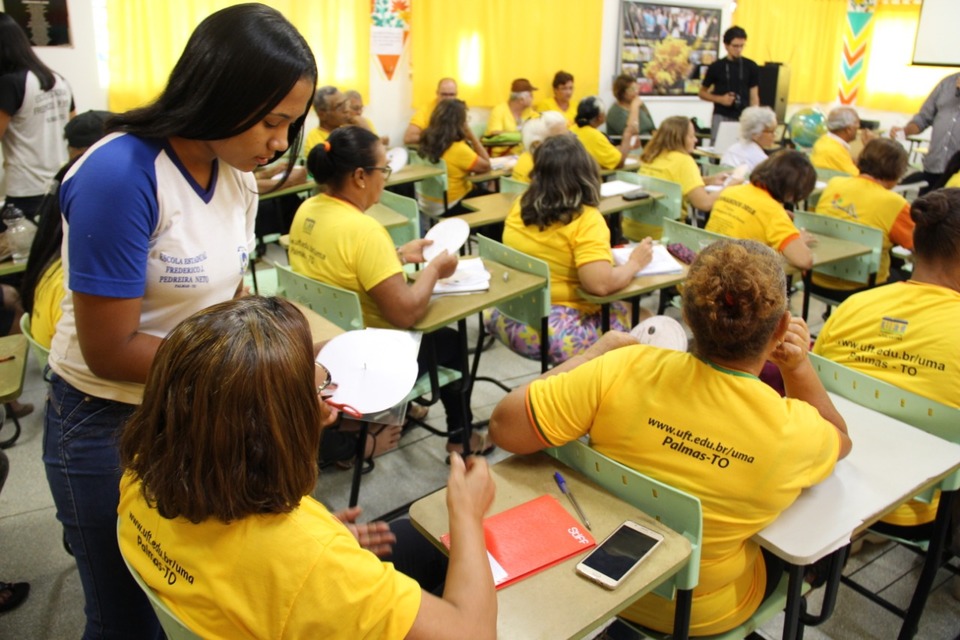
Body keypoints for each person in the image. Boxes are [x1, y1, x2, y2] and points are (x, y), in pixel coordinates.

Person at [43, 5, 317, 638]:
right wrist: (253, 376)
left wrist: (279, 360)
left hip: (191, 400)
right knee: (123, 612)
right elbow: (111, 349)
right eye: (272, 121)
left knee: (202, 586)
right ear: (221, 91)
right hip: (106, 412)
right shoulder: (122, 174)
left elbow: (230, 290)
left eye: (290, 125)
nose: (280, 143)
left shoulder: (237, 173)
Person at [489, 239, 850, 636]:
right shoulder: (791, 429)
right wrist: (798, 368)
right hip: (702, 614)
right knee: (794, 552)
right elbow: (840, 440)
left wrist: (592, 355)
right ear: (781, 329)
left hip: (602, 582)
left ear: (688, 320)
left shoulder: (623, 366)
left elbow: (504, 425)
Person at [117, 296, 497, 639]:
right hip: (296, 573)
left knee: (417, 540)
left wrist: (325, 539)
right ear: (276, 432)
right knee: (458, 553)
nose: (330, 408)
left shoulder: (138, 477)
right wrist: (466, 514)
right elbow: (475, 634)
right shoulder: (309, 563)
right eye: (317, 388)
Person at [289, 125, 492, 456]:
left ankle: (395, 414)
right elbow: (405, 313)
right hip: (366, 359)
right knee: (452, 344)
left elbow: (343, 267)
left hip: (326, 348)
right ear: (359, 176)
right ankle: (461, 438)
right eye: (382, 169)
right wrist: (433, 269)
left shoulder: (308, 210)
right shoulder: (366, 231)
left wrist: (396, 256)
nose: (385, 176)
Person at [814, 188, 960, 538]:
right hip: (922, 509)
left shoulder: (853, 306)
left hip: (830, 482)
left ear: (913, 245)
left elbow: (812, 388)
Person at [488, 134, 654, 365]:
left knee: (624, 308)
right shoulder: (587, 220)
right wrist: (636, 262)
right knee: (645, 319)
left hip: (508, 315)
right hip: (554, 332)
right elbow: (600, 285)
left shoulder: (520, 204)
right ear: (585, 172)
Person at [812, 138, 915, 299]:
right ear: (898, 171)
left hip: (814, 278)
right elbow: (919, 245)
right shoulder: (895, 203)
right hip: (864, 290)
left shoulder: (834, 184)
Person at [0, 12, 75, 220]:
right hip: (59, 182)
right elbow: (72, 130)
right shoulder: (58, 80)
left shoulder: (9, 84)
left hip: (27, 190)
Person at [706, 151, 816, 270]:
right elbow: (804, 261)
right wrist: (798, 241)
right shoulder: (772, 211)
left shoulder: (731, 191)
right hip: (738, 277)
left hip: (708, 267)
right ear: (793, 191)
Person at [629, 115, 729, 240]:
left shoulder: (651, 156)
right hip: (665, 234)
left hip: (634, 230)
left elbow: (672, 182)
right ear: (680, 138)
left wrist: (710, 180)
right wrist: (731, 185)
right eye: (691, 136)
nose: (696, 140)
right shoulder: (684, 161)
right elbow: (705, 203)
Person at [417, 98, 492, 216]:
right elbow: (486, 166)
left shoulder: (425, 141)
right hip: (450, 205)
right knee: (493, 199)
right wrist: (472, 136)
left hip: (426, 202)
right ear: (460, 122)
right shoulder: (457, 149)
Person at [890, 72, 960, 192]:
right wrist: (905, 131)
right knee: (926, 208)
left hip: (957, 174)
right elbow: (923, 118)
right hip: (934, 166)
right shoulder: (946, 84)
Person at [698, 26, 759, 143]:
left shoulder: (751, 66)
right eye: (735, 46)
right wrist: (720, 99)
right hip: (721, 115)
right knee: (717, 147)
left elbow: (754, 96)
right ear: (726, 45)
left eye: (742, 46)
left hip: (744, 116)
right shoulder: (716, 66)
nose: (739, 49)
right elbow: (702, 93)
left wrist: (754, 118)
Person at [571, 96, 638, 170]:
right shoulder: (595, 136)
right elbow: (619, 163)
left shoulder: (571, 130)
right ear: (600, 117)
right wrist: (627, 134)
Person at [810, 107, 874, 176]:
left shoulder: (824, 140)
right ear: (849, 129)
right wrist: (871, 146)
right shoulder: (834, 150)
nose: (858, 128)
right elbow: (859, 177)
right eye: (857, 125)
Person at [484, 78, 538, 156]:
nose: (533, 98)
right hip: (501, 157)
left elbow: (538, 130)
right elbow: (495, 133)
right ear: (521, 100)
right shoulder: (499, 110)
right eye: (531, 95)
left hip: (524, 156)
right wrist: (522, 134)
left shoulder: (529, 111)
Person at [511, 111, 568, 184]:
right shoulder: (544, 164)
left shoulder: (526, 156)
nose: (567, 143)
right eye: (559, 139)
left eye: (567, 136)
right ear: (537, 143)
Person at [720, 106, 777, 171]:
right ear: (755, 134)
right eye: (771, 131)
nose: (775, 135)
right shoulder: (761, 159)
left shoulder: (732, 149)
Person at [404, 77, 458, 145]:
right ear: (437, 93)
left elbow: (466, 134)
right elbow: (408, 138)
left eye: (451, 95)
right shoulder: (425, 110)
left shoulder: (459, 110)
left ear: (456, 94)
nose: (448, 99)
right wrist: (436, 137)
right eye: (444, 94)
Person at [305, 85, 357, 155]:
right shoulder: (314, 139)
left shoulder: (347, 131)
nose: (347, 110)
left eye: (346, 104)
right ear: (322, 114)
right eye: (339, 106)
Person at [606, 74, 655, 138]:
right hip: (630, 146)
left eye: (637, 88)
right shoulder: (615, 112)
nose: (636, 92)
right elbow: (631, 133)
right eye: (632, 89)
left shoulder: (640, 105)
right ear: (622, 92)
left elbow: (652, 128)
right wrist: (634, 107)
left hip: (648, 143)